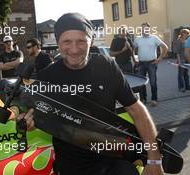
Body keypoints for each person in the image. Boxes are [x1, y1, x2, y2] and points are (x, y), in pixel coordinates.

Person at [15, 13, 163, 175]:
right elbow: (35, 117)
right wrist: (28, 123)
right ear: (58, 43)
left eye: (81, 41)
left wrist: (154, 157)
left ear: (91, 40)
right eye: (66, 42)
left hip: (115, 161)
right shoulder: (47, 77)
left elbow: (137, 110)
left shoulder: (106, 66)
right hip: (72, 166)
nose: (74, 49)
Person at [134, 22, 168, 107]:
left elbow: (165, 47)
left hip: (151, 63)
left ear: (148, 29)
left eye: (145, 28)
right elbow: (132, 48)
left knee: (153, 82)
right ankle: (142, 99)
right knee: (141, 83)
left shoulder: (154, 38)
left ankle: (154, 99)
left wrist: (160, 59)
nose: (143, 30)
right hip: (141, 64)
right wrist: (134, 59)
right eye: (142, 28)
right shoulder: (137, 39)